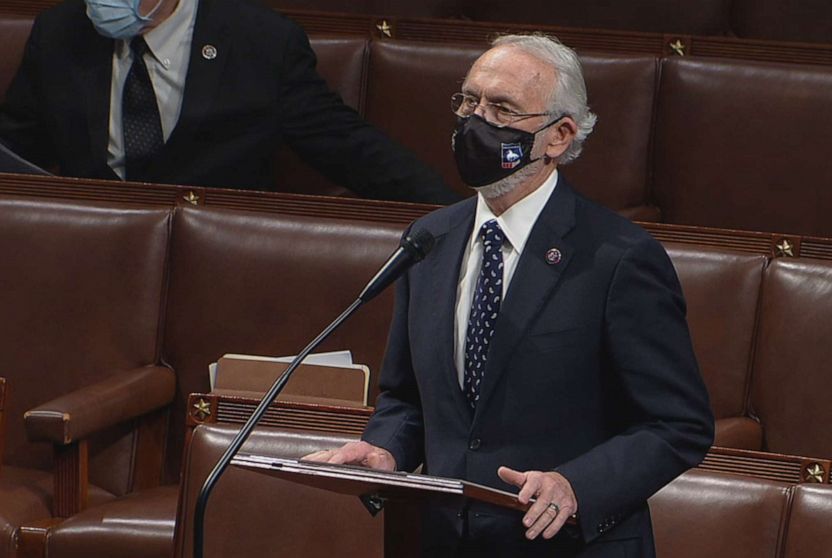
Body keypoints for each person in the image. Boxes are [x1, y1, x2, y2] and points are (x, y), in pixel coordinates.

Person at [305, 33, 714, 557]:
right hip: (442, 543)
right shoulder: (429, 240)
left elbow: (678, 424)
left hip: (565, 546)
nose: (477, 121)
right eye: (469, 101)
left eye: (502, 108)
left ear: (559, 136)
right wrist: (386, 450)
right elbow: (406, 397)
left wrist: (576, 485)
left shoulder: (618, 258)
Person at [0, 0, 459, 204]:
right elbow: (15, 154)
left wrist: (458, 214)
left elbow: (352, 149)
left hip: (209, 268)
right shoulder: (60, 35)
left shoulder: (260, 43)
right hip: (90, 257)